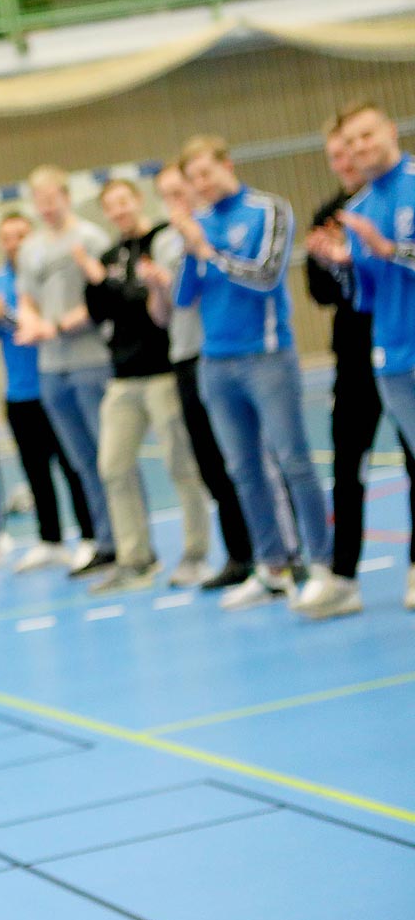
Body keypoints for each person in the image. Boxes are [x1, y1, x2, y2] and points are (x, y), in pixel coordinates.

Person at [173, 134, 350, 616]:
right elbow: (183, 298)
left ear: (227, 164)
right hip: (216, 362)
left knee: (294, 461)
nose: (201, 185)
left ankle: (322, 565)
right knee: (243, 471)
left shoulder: (267, 209)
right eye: (193, 181)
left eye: (206, 173)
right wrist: (191, 251)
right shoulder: (200, 226)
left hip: (266, 357)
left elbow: (266, 276)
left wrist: (208, 252)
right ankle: (271, 567)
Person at [77, 179, 212, 592]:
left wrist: (115, 286)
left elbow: (146, 304)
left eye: (124, 202)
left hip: (163, 371)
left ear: (137, 201)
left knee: (181, 465)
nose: (118, 211)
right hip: (122, 376)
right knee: (112, 466)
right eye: (110, 207)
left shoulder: (161, 241)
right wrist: (105, 283)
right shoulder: (108, 256)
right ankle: (136, 558)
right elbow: (99, 310)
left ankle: (195, 554)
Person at [308, 102, 415, 610]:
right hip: (389, 358)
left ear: (389, 130)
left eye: (366, 137)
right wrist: (345, 263)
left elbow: (393, 257)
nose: (358, 150)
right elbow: (363, 297)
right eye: (349, 145)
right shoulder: (360, 210)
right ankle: (341, 576)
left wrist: (389, 249)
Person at [138, 162, 255, 590]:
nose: (176, 201)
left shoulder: (212, 229)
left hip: (223, 351)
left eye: (180, 191)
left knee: (247, 457)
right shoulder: (165, 240)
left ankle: (278, 550)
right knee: (210, 462)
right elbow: (164, 315)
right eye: (166, 195)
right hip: (184, 355)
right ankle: (240, 554)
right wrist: (155, 286)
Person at [0, 212, 97, 572]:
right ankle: (51, 539)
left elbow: (39, 324)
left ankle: (89, 536)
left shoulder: (42, 278)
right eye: (8, 237)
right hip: (17, 391)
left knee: (71, 466)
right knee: (35, 471)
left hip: (52, 383)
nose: (15, 243)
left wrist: (6, 313)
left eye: (21, 235)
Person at [14, 166, 117, 575]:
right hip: (50, 366)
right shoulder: (31, 248)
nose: (46, 205)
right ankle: (101, 539)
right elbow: (25, 298)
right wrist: (31, 322)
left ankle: (123, 539)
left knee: (108, 458)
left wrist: (53, 326)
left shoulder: (90, 239)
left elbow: (104, 300)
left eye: (51, 196)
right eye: (38, 199)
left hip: (89, 361)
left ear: (66, 196)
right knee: (80, 460)